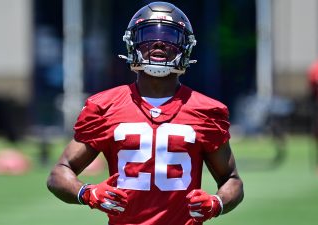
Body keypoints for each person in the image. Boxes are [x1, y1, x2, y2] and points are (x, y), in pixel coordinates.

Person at [47, 2, 244, 225]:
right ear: (133, 44)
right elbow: (59, 174)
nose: (159, 43)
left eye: (170, 36)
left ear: (185, 47)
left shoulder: (206, 110)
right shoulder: (104, 106)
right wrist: (87, 193)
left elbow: (232, 179)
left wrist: (217, 202)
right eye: (148, 35)